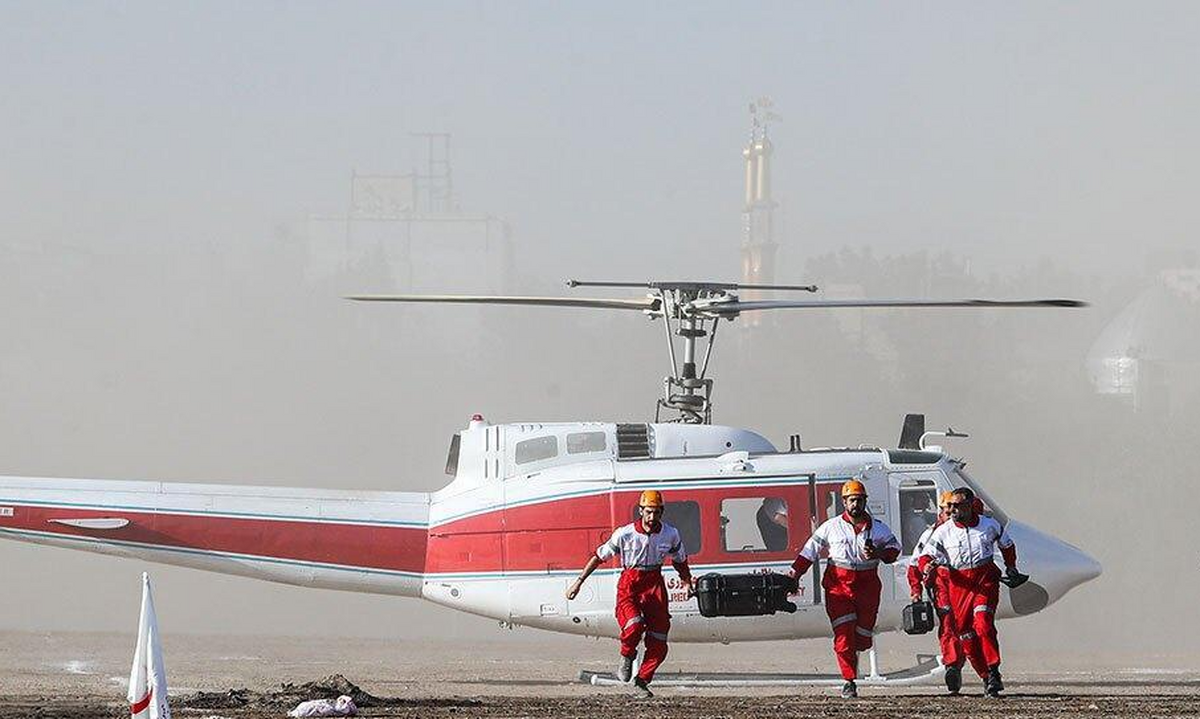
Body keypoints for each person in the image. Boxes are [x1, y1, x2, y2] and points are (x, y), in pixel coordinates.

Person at [566, 490, 695, 698]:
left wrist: (687, 581)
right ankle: (627, 655)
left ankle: (642, 682)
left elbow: (680, 560)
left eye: (656, 512)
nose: (652, 517)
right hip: (630, 584)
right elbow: (599, 557)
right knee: (633, 625)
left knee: (659, 640)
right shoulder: (624, 534)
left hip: (655, 584)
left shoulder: (671, 534)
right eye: (648, 512)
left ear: (662, 512)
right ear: (641, 511)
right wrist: (578, 583)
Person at [790, 479, 901, 698]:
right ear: (844, 502)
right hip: (838, 587)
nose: (856, 504)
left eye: (859, 500)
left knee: (862, 637)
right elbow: (809, 551)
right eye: (852, 500)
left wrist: (878, 553)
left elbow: (894, 549)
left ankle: (858, 648)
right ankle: (849, 680)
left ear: (864, 501)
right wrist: (794, 574)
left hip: (867, 587)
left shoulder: (878, 528)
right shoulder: (831, 527)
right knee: (843, 634)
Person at [918, 486, 1020, 698]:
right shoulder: (943, 531)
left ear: (970, 505)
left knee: (983, 624)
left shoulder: (990, 526)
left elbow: (1007, 545)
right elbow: (925, 556)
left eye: (957, 505)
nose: (953, 509)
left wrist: (1011, 567)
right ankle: (986, 677)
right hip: (959, 585)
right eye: (950, 506)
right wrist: (926, 566)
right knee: (965, 635)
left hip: (984, 581)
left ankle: (993, 670)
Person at [907, 491, 962, 693]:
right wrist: (916, 591)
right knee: (949, 625)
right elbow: (914, 566)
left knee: (973, 626)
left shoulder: (970, 530)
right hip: (941, 586)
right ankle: (953, 665)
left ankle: (985, 669)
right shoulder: (930, 535)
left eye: (955, 510)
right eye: (948, 511)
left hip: (967, 586)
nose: (951, 514)